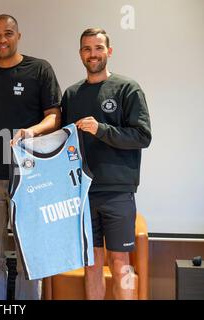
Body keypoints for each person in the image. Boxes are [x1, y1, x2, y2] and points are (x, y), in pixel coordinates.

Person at [0, 14, 62, 300]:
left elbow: (54, 117)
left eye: (8, 33)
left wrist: (30, 132)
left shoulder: (39, 69)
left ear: (18, 36)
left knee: (28, 253)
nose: (2, 39)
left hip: (29, 177)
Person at [60, 28, 152, 299]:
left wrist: (101, 129)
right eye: (87, 49)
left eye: (98, 48)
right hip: (82, 193)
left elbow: (142, 136)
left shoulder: (127, 88)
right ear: (80, 54)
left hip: (117, 191)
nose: (93, 54)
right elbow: (64, 143)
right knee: (91, 264)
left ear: (109, 52)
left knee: (121, 263)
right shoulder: (72, 94)